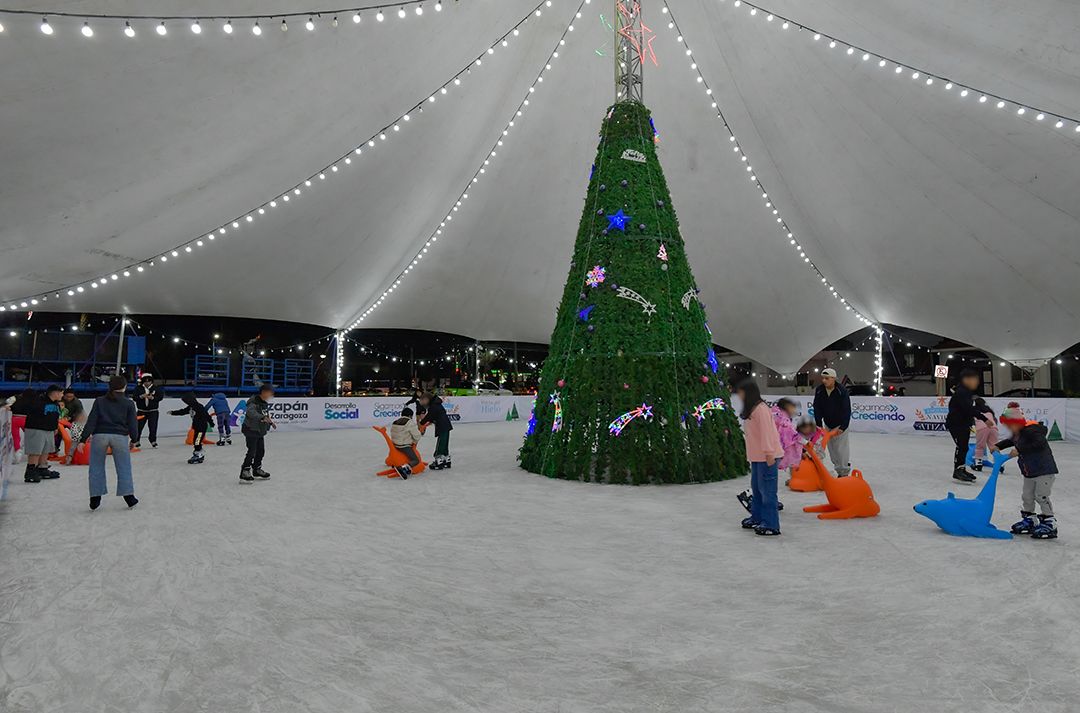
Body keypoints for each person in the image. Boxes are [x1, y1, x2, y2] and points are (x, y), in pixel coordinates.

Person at [994, 405, 1059, 539]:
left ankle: (1049, 522)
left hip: (1043, 470)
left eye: (1010, 425)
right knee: (1027, 496)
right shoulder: (1018, 433)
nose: (1008, 428)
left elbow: (1039, 443)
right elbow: (1011, 441)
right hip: (1029, 471)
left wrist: (1020, 450)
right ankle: (1030, 519)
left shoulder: (1032, 431)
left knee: (1041, 496)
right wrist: (998, 446)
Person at [81, 376, 140, 511]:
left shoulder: (99, 401)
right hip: (120, 436)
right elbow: (133, 424)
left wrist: (83, 439)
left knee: (96, 466)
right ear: (124, 386)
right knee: (124, 467)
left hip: (100, 435)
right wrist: (134, 439)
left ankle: (95, 498)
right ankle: (129, 497)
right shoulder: (129, 403)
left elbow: (91, 421)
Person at [945, 369, 989, 483]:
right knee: (961, 446)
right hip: (956, 424)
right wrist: (984, 418)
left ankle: (961, 468)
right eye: (975, 379)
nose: (977, 382)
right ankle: (958, 471)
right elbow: (968, 409)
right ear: (966, 380)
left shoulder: (966, 392)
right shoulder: (961, 392)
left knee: (964, 446)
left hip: (963, 423)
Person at [12, 385, 63, 483]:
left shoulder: (55, 404)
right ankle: (31, 471)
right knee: (35, 451)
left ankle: (42, 468)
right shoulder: (38, 401)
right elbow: (23, 407)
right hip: (36, 428)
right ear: (55, 393)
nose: (62, 395)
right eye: (61, 393)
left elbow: (55, 416)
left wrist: (55, 427)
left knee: (45, 450)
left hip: (49, 430)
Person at [812, 368, 852, 477]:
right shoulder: (820, 390)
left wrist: (843, 427)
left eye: (827, 378)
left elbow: (847, 410)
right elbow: (817, 407)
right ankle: (839, 469)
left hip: (840, 424)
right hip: (828, 424)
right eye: (823, 378)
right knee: (832, 449)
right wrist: (819, 424)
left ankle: (844, 472)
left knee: (841, 449)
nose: (824, 380)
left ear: (833, 379)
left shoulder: (842, 391)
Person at [240, 384, 276, 483]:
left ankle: (256, 469)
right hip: (251, 429)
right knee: (252, 451)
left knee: (260, 451)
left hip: (259, 430)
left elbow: (265, 415)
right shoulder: (253, 402)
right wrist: (262, 417)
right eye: (270, 393)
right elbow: (251, 413)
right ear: (263, 392)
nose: (271, 395)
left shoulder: (264, 403)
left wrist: (270, 422)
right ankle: (245, 471)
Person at [170, 393, 214, 464]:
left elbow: (206, 415)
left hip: (201, 427)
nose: (186, 403)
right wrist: (173, 412)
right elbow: (183, 411)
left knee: (197, 441)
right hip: (196, 427)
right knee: (195, 441)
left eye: (186, 401)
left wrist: (211, 423)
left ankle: (198, 454)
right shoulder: (191, 407)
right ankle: (199, 453)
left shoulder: (199, 406)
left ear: (190, 400)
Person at [419, 392, 453, 469]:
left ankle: (438, 460)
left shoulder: (434, 405)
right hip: (445, 425)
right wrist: (429, 421)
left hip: (442, 426)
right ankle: (446, 459)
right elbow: (434, 415)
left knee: (440, 444)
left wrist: (422, 423)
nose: (422, 403)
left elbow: (429, 416)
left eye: (422, 401)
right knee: (444, 443)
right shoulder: (436, 404)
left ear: (426, 399)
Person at [389, 406, 423, 479]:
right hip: (404, 446)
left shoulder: (395, 421)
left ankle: (397, 464)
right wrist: (414, 440)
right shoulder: (409, 422)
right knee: (416, 460)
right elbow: (417, 436)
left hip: (395, 445)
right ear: (410, 415)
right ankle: (403, 468)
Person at [133, 373, 161, 449]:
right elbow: (134, 397)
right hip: (141, 411)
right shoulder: (138, 388)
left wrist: (153, 398)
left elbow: (160, 397)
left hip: (153, 411)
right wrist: (141, 396)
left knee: (153, 427)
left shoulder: (156, 388)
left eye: (149, 381)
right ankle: (137, 440)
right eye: (145, 382)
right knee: (138, 427)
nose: (147, 383)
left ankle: (153, 440)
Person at [971, 398, 998, 472]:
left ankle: (978, 464)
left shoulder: (974, 409)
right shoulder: (989, 410)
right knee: (994, 446)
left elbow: (971, 419)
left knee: (980, 446)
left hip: (982, 428)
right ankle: (998, 463)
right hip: (993, 427)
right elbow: (994, 419)